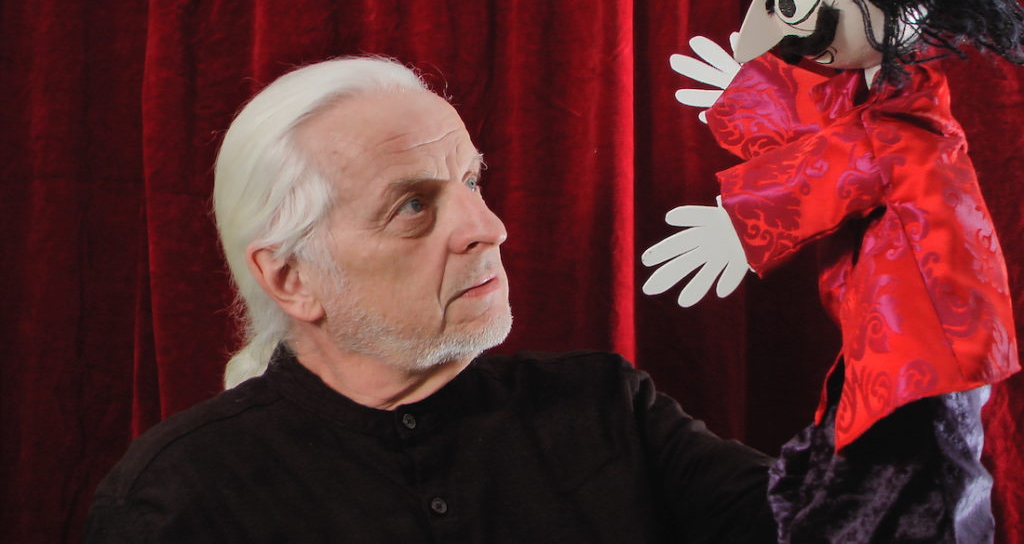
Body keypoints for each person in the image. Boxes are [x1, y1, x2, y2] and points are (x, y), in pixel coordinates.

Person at [85, 56, 776, 542]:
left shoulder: (607, 408)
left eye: (471, 183)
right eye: (413, 205)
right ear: (292, 278)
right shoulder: (176, 496)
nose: (489, 228)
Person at [643, 0, 1021, 543]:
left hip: (926, 352)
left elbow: (858, 157)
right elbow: (831, 123)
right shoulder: (881, 93)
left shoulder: (910, 124)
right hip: (897, 339)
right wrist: (744, 95)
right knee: (867, 476)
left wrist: (745, 223)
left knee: (906, 500)